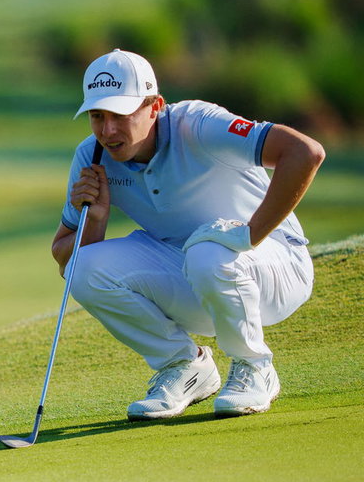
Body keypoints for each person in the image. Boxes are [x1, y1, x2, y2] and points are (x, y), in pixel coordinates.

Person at [55, 49, 325, 421]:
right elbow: (64, 255)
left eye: (120, 115)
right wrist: (96, 221)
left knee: (207, 250)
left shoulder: (199, 124)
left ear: (155, 106)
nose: (108, 130)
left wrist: (249, 235)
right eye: (97, 116)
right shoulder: (93, 158)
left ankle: (254, 366)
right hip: (192, 276)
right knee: (82, 266)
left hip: (275, 266)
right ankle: (185, 367)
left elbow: (304, 152)